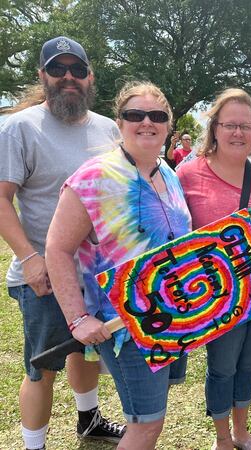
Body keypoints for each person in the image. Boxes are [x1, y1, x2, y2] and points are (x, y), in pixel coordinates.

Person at [45, 81, 192, 449]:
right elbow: (58, 248)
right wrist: (78, 318)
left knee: (148, 420)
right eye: (135, 115)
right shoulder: (94, 177)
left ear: (168, 125)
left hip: (171, 318)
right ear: (119, 121)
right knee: (145, 425)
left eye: (157, 116)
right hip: (126, 326)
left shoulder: (168, 174)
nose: (146, 122)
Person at [0, 36, 125, 450]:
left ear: (89, 77)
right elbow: (1, 199)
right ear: (43, 76)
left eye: (76, 69)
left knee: (86, 351)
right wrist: (30, 258)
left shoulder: (109, 128)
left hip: (96, 274)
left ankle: (88, 419)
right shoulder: (20, 126)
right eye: (57, 69)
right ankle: (34, 446)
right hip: (43, 276)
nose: (67, 77)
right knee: (43, 368)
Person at [177, 88, 251, 450]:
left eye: (245, 125)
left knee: (248, 364)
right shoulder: (187, 173)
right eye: (230, 125)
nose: (238, 133)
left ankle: (242, 431)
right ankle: (222, 438)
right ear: (214, 128)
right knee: (223, 366)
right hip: (217, 293)